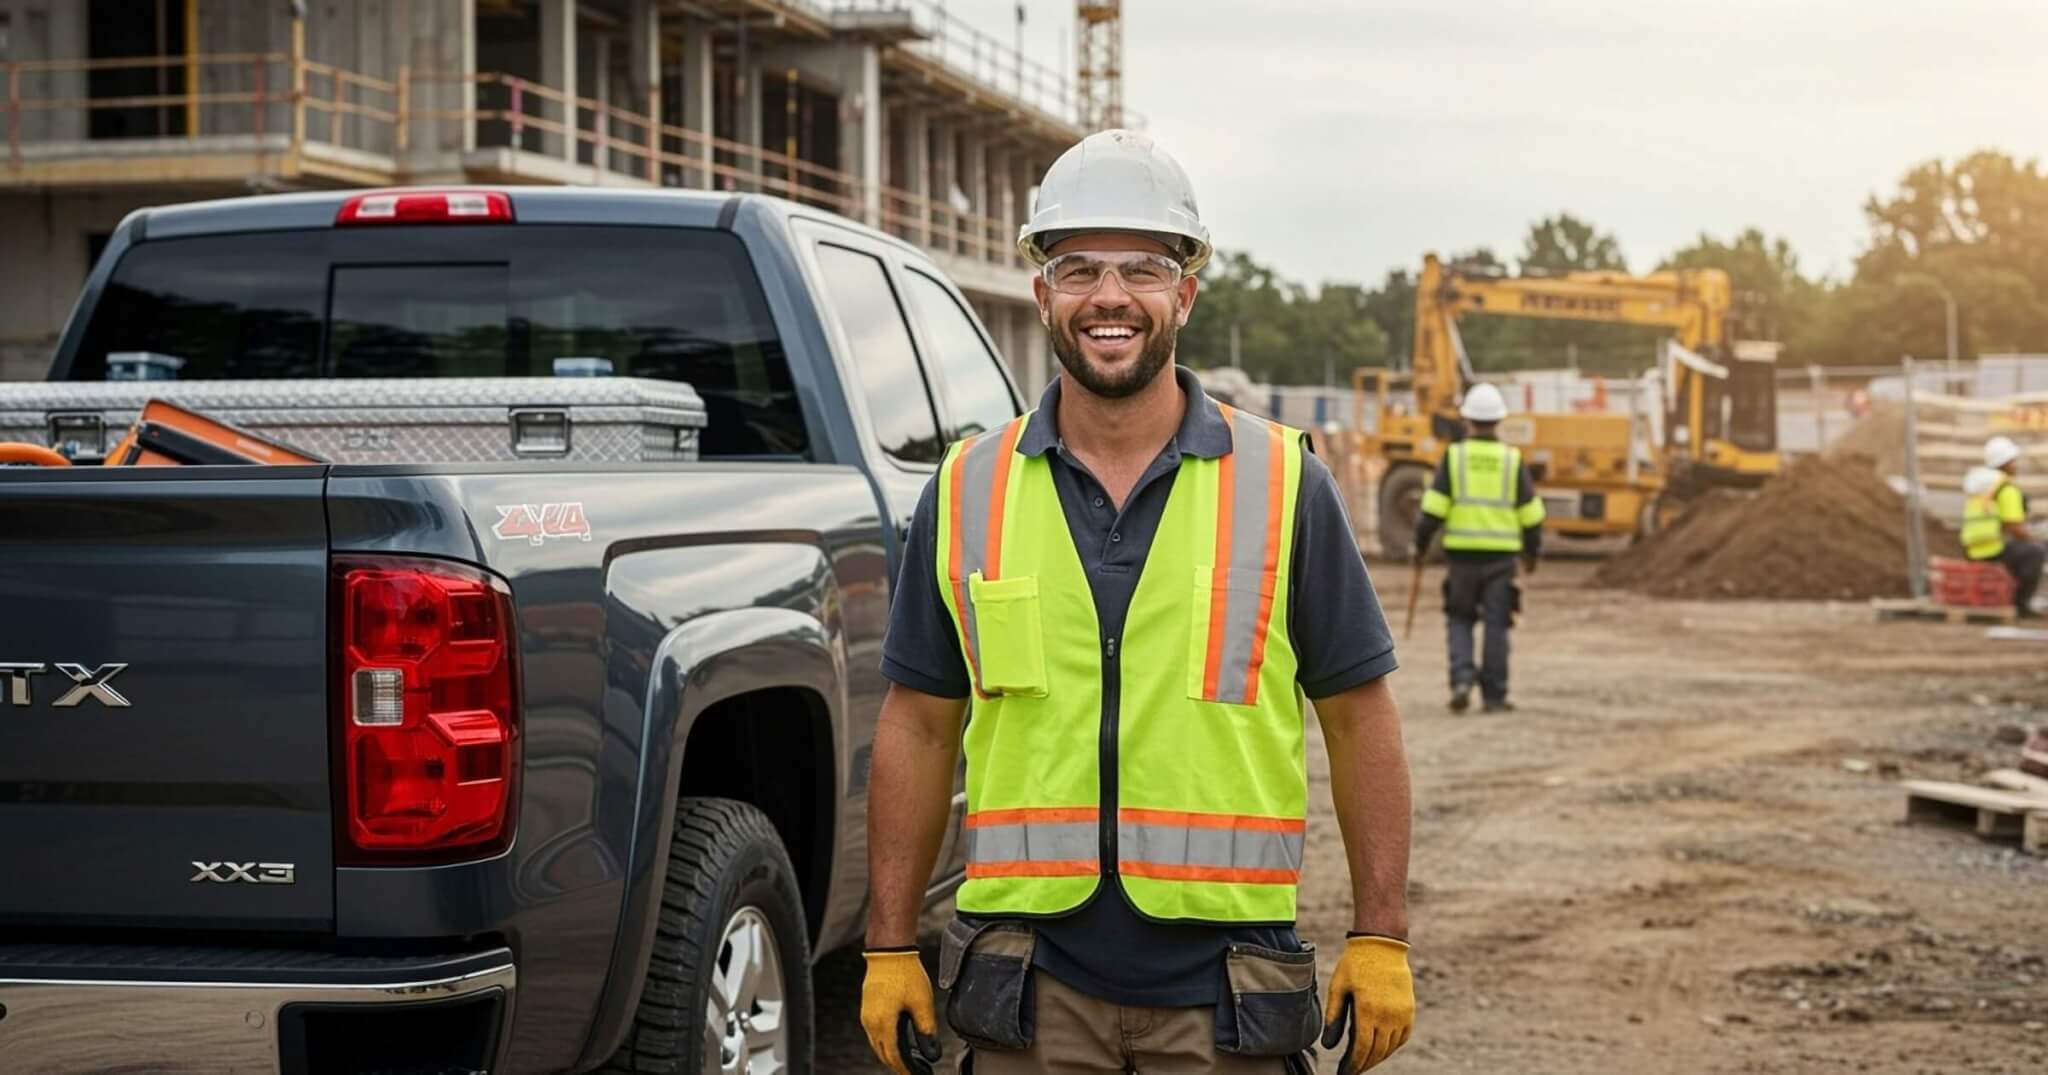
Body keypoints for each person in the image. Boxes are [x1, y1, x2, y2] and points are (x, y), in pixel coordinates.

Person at [858, 130, 1416, 1075]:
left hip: (1226, 997)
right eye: (1078, 268)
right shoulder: (965, 489)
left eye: (1142, 268)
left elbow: (1359, 719)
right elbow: (917, 724)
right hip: (1027, 993)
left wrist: (1384, 934)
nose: (1109, 296)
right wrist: (886, 942)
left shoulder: (1285, 484)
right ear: (1042, 293)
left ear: (1185, 294)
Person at [1411, 384, 1545, 713]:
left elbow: (1433, 510)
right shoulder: (1512, 461)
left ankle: (1461, 680)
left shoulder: (1454, 458)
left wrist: (1420, 544)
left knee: (1460, 619)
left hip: (1462, 558)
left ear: (1467, 420)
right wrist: (1532, 555)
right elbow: (1531, 516)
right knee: (1498, 624)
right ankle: (1495, 696)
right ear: (1498, 421)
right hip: (1502, 559)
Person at [1962, 436, 2042, 617]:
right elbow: (2015, 527)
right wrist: (2035, 538)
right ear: (2005, 463)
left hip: (1971, 549)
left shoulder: (1981, 485)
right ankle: (2021, 604)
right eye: (2013, 461)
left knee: (2024, 549)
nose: (2016, 465)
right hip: (1992, 549)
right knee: (2036, 551)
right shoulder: (2006, 489)